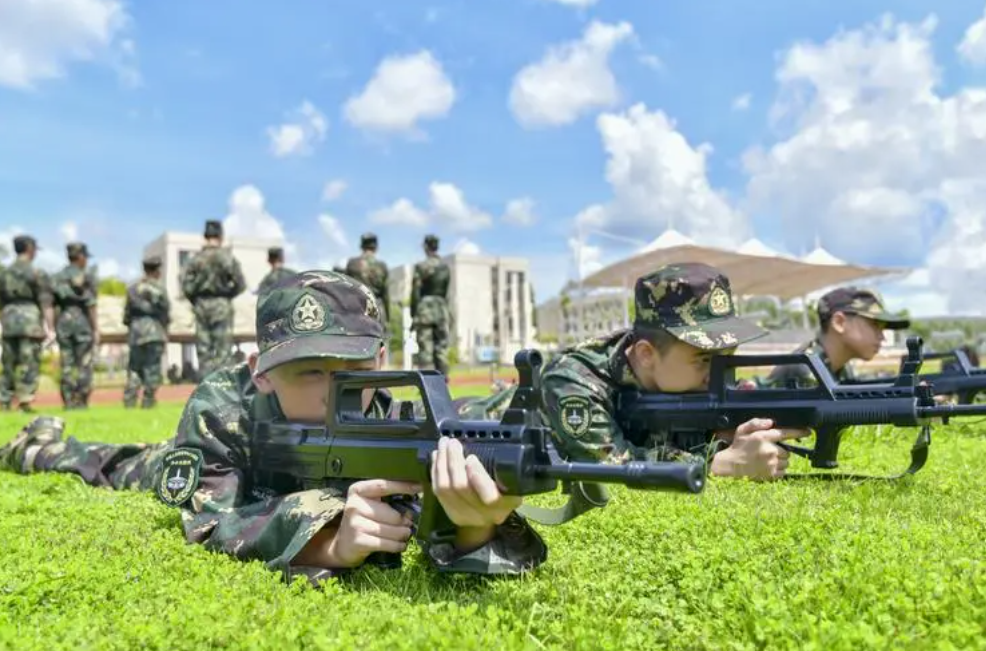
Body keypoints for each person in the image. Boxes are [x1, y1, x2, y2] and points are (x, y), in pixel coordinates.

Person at [0, 270, 546, 586]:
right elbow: (211, 519)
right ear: (261, 372)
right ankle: (40, 443)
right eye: (309, 371)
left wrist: (475, 526)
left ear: (381, 360)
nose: (333, 391)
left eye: (352, 371)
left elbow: (432, 521)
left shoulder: (396, 421)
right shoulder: (223, 405)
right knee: (119, 464)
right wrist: (329, 542)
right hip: (226, 460)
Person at [460, 263, 809, 485]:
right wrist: (721, 464)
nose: (719, 374)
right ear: (646, 354)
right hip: (466, 430)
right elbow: (611, 464)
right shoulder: (574, 379)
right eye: (704, 359)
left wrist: (727, 433)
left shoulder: (683, 382)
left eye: (727, 357)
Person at [763, 287, 910, 388]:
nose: (882, 337)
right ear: (839, 322)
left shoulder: (834, 365)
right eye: (874, 325)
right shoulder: (807, 368)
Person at [180, 220, 246, 379]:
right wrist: (227, 295)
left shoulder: (195, 260)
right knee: (223, 349)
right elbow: (241, 284)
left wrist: (196, 299)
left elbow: (186, 286)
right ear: (221, 236)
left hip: (201, 305)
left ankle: (206, 386)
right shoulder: (227, 258)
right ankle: (223, 386)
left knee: (204, 350)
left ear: (205, 236)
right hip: (222, 304)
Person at [0, 235, 55, 413]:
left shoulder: (4, 273)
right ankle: (24, 401)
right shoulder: (37, 273)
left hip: (9, 320)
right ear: (30, 249)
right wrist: (50, 328)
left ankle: (4, 400)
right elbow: (46, 302)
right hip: (30, 320)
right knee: (29, 362)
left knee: (8, 363)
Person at [51, 242, 100, 409]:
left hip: (64, 321)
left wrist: (54, 326)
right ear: (80, 257)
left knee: (67, 363)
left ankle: (68, 400)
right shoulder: (88, 277)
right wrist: (96, 328)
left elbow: (53, 305)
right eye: (85, 257)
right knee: (84, 363)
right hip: (82, 321)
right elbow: (91, 304)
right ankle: (81, 400)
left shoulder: (57, 277)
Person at [122, 256, 171, 409]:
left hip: (136, 332)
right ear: (157, 271)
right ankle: (148, 401)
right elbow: (166, 313)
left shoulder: (132, 289)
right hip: (154, 331)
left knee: (134, 368)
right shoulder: (160, 289)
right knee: (152, 368)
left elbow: (126, 316)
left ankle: (129, 400)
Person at [411, 234, 451, 376]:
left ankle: (426, 383)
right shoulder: (445, 267)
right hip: (441, 308)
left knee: (425, 349)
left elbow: (415, 292)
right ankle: (443, 381)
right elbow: (445, 291)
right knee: (442, 348)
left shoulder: (421, 267)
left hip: (425, 309)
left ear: (426, 247)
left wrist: (413, 314)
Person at [344, 233, 390, 327]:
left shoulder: (352, 263)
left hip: (356, 310)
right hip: (376, 311)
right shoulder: (382, 266)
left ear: (361, 246)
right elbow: (385, 294)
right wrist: (388, 317)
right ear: (376, 247)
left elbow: (345, 289)